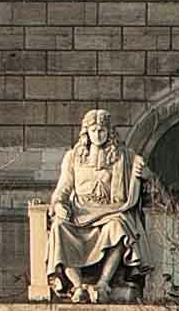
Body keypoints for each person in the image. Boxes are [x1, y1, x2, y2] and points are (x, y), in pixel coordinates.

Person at [38, 107, 150, 301]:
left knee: (118, 227)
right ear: (86, 133)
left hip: (111, 211)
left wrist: (145, 176)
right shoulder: (73, 157)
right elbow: (63, 188)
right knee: (58, 226)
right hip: (80, 212)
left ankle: (103, 283)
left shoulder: (123, 156)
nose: (98, 135)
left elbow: (149, 189)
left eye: (102, 130)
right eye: (93, 130)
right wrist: (58, 205)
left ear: (109, 132)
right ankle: (77, 285)